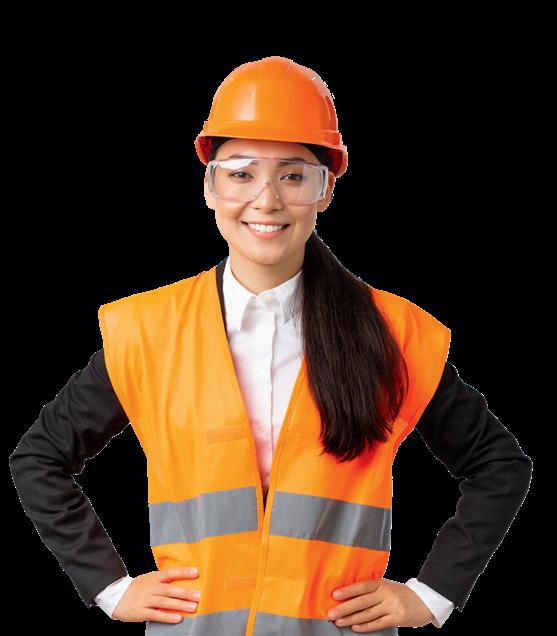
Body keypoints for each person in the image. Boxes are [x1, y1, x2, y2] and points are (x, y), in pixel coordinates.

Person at [9, 56, 532, 634]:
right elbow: (40, 458)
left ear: (325, 190)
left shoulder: (392, 333)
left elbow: (499, 466)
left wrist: (431, 595)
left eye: (293, 175)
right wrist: (111, 588)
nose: (266, 200)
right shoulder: (147, 332)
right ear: (209, 187)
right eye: (241, 174)